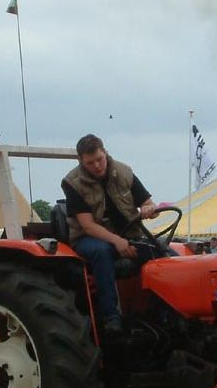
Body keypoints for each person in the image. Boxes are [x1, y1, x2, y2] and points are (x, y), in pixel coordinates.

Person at [61, 133, 157, 334]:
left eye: (100, 159)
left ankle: (159, 312)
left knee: (160, 251)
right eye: (90, 163)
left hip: (127, 235)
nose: (97, 166)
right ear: (81, 161)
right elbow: (88, 226)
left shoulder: (124, 172)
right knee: (102, 251)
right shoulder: (72, 183)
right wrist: (117, 242)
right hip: (88, 238)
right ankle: (111, 317)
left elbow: (148, 203)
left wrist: (149, 209)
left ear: (105, 152)